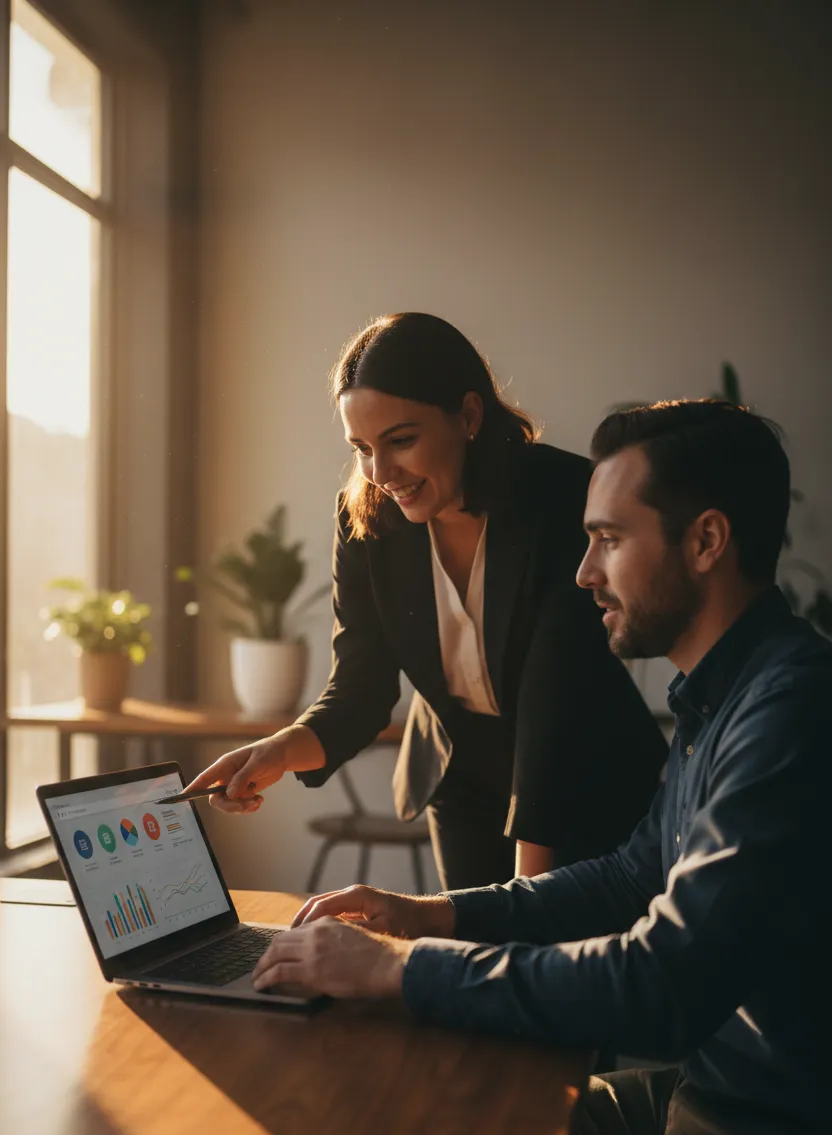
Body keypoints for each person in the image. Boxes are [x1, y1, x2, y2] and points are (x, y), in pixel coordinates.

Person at [249, 400, 831, 1135]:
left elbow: (662, 986)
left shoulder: (790, 712)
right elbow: (632, 877)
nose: (584, 572)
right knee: (432, 1127)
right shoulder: (722, 693)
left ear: (706, 542)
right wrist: (427, 919)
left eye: (609, 540)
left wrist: (397, 975)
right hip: (706, 1091)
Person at [187, 313, 666, 888]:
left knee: (551, 961)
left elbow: (554, 707)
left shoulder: (564, 496)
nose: (380, 472)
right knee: (467, 954)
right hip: (460, 773)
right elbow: (360, 687)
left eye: (401, 441)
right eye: (361, 447)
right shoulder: (365, 518)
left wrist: (523, 902)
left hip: (587, 776)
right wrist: (278, 752)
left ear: (468, 416)